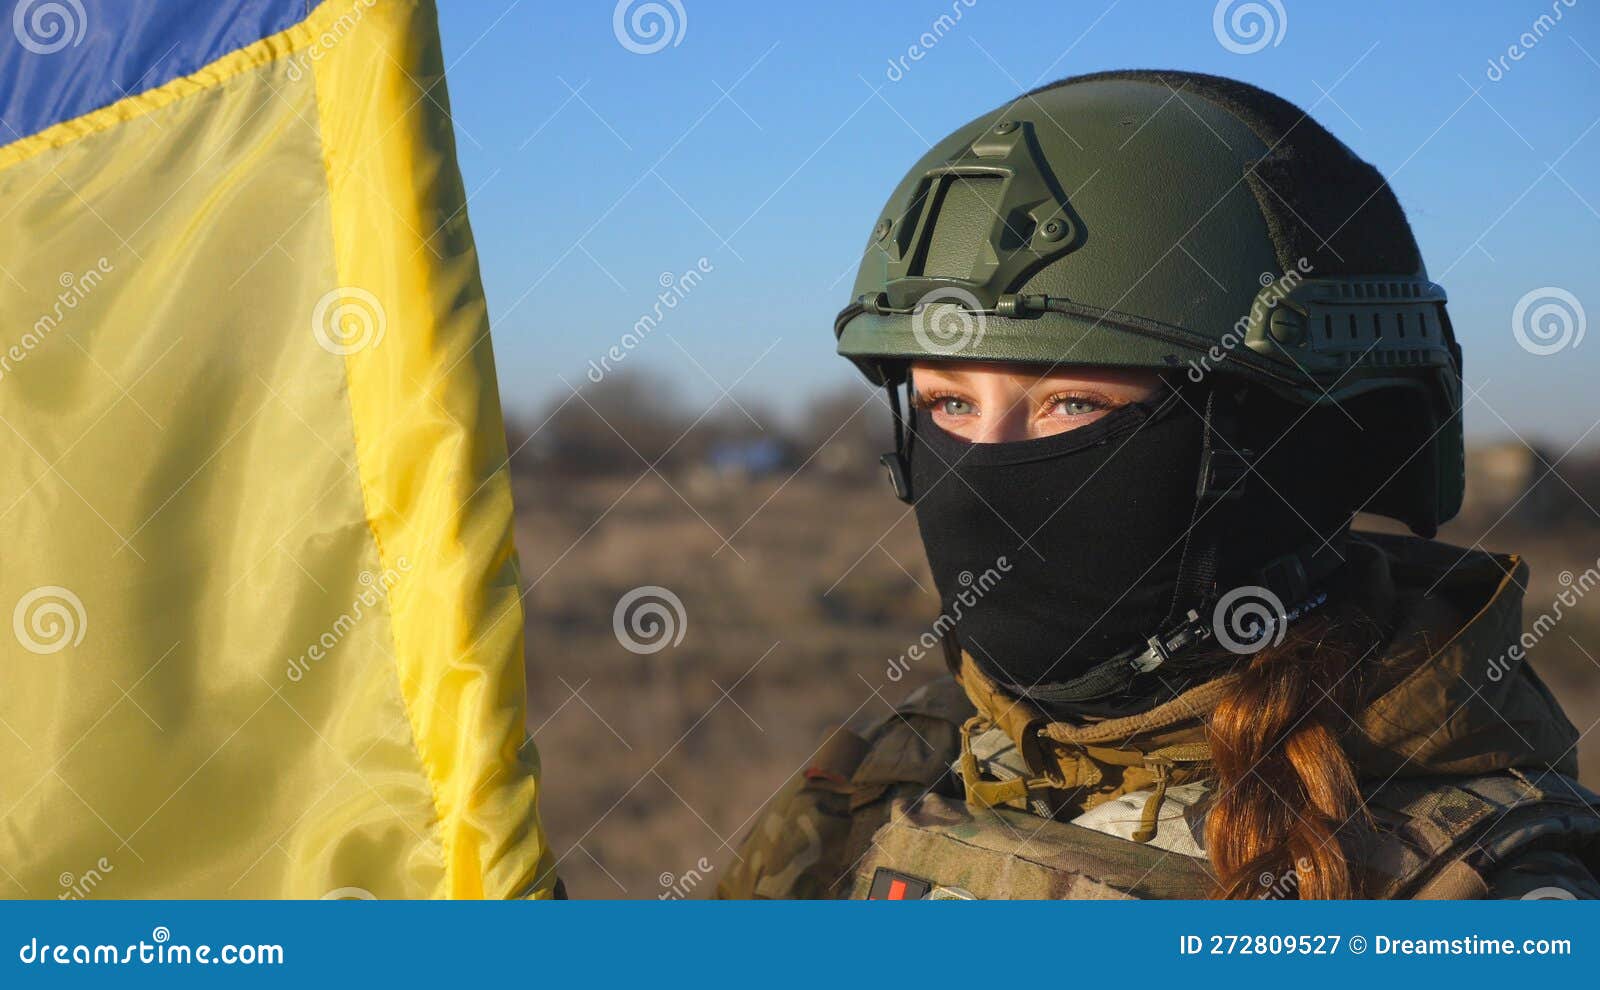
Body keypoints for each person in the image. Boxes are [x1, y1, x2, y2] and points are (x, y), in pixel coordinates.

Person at [716, 70, 1600, 900]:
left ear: (1285, 442)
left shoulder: (1473, 884)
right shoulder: (908, 761)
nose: (985, 467)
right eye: (948, 401)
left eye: (1069, 401)